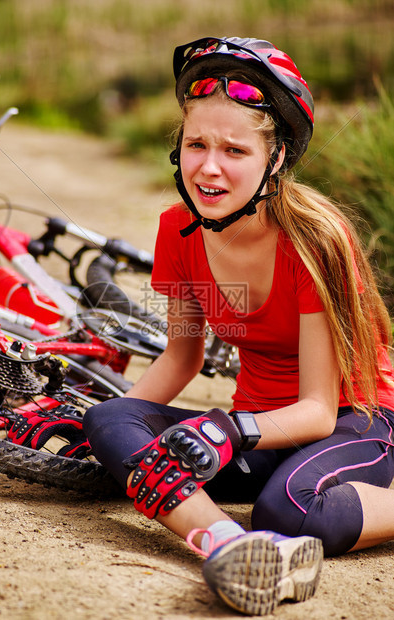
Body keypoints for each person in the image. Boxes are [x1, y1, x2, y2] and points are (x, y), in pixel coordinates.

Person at [82, 36, 394, 616]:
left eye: (235, 150)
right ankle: (229, 544)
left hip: (358, 418)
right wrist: (116, 436)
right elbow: (181, 360)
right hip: (260, 429)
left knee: (289, 511)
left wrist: (225, 432)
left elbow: (319, 411)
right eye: (196, 143)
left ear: (274, 159)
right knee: (107, 416)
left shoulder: (313, 241)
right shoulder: (178, 231)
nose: (209, 166)